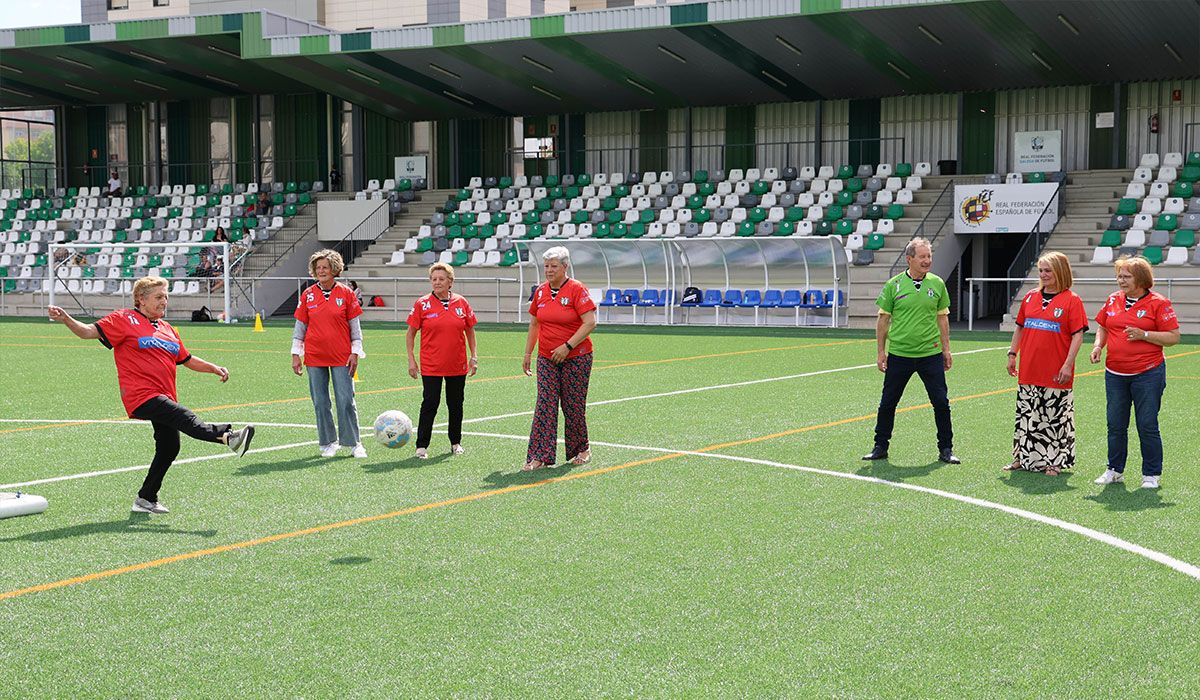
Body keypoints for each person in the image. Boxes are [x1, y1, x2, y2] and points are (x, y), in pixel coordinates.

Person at [48, 278, 255, 514]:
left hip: (165, 395)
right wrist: (66, 319)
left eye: (165, 296)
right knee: (184, 416)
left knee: (169, 446)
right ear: (141, 299)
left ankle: (146, 498)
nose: (164, 301)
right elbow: (87, 332)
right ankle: (228, 437)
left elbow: (186, 359)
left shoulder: (167, 329)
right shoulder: (123, 319)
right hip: (141, 395)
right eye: (158, 297)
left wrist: (213, 367)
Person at [864, 237, 959, 464]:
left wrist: (946, 349)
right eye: (923, 256)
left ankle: (946, 449)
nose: (927, 261)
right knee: (888, 402)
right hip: (900, 354)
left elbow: (942, 319)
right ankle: (880, 446)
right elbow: (883, 320)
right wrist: (880, 352)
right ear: (910, 259)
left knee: (941, 402)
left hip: (930, 354)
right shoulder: (893, 285)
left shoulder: (937, 284)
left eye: (929, 256)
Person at [1091, 256, 1180, 489]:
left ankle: (1151, 474)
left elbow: (1173, 337)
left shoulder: (1159, 303)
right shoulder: (1112, 300)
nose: (1120, 280)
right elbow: (1103, 326)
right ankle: (1114, 469)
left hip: (1148, 373)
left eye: (1126, 276)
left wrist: (1145, 335)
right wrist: (1098, 345)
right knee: (1115, 424)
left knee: (1147, 424)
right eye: (1119, 276)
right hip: (1115, 373)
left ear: (1140, 278)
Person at [1004, 252, 1088, 476]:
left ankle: (1054, 462)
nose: (1043, 274)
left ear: (1060, 271)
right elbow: (1020, 327)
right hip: (1029, 369)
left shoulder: (1072, 300)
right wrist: (1012, 354)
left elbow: (1078, 336)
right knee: (1026, 415)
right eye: (1041, 270)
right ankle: (1022, 457)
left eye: (1048, 270)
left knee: (1054, 418)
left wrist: (1068, 364)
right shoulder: (1030, 297)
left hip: (1055, 372)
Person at [522, 246, 597, 471]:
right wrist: (528, 353)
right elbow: (535, 323)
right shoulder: (541, 292)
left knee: (572, 405)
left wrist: (567, 346)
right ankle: (539, 455)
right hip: (546, 357)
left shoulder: (576, 289)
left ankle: (582, 449)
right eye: (546, 266)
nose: (549, 270)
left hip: (577, 357)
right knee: (545, 402)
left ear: (565, 267)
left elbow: (590, 322)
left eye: (554, 266)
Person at [292, 249, 368, 458]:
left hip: (342, 356)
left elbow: (355, 327)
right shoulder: (307, 295)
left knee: (346, 399)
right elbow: (300, 327)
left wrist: (355, 352)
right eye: (318, 268)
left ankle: (354, 443)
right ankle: (327, 442)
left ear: (334, 269)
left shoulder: (346, 293)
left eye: (325, 267)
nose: (321, 271)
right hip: (315, 356)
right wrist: (296, 354)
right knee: (320, 401)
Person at [406, 263, 478, 459]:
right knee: (430, 403)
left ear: (450, 282)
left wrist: (474, 357)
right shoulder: (422, 304)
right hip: (431, 365)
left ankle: (456, 443)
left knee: (455, 404)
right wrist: (412, 360)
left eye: (441, 279)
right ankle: (421, 446)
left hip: (457, 365)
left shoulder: (461, 302)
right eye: (434, 279)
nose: (437, 282)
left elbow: (470, 331)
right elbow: (411, 333)